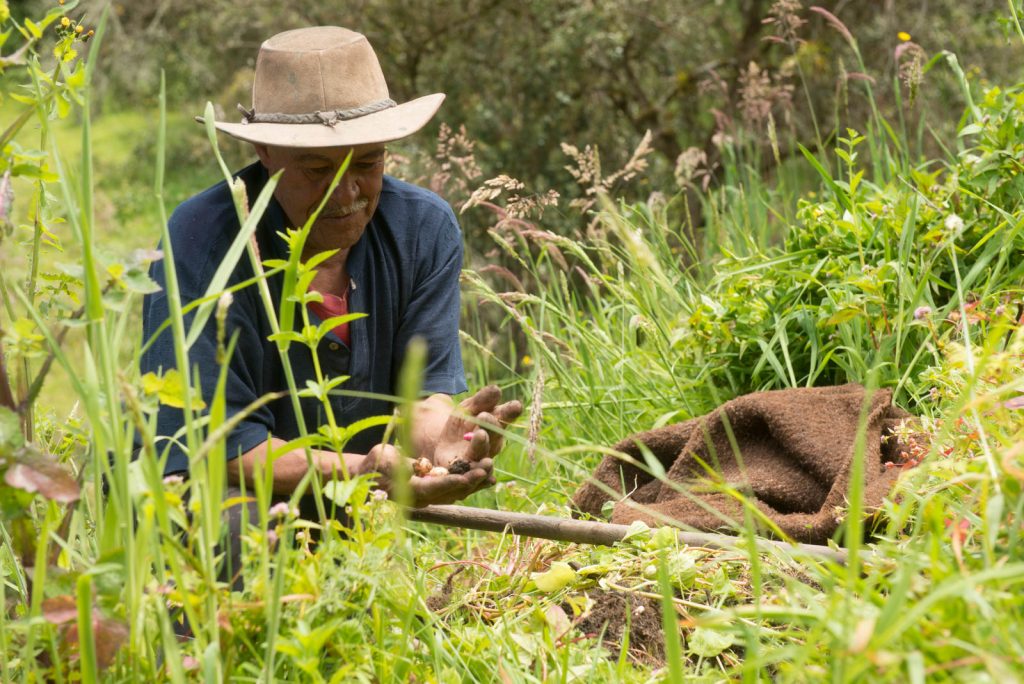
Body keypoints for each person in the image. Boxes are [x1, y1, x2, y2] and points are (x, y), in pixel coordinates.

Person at [140, 26, 522, 521]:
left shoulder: (422, 229)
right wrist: (356, 469)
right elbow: (218, 445)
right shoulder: (201, 241)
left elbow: (420, 397)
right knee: (241, 532)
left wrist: (443, 446)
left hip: (352, 503)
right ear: (265, 154)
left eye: (367, 163)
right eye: (316, 170)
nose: (346, 195)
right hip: (206, 500)